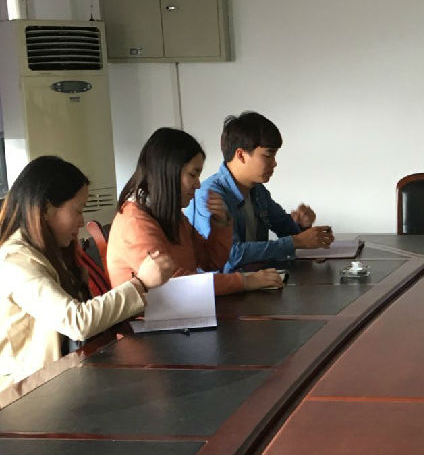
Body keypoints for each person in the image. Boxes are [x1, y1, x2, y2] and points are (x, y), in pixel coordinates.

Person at [0, 156, 174, 393]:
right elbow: (76, 321)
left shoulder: (50, 251)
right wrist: (140, 283)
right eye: (77, 211)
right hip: (25, 394)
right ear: (46, 209)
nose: (82, 222)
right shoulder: (15, 260)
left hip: (60, 379)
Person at [107, 127, 283, 294]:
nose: (198, 185)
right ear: (168, 172)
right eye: (192, 175)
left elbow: (209, 262)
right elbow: (173, 284)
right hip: (152, 315)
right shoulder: (135, 223)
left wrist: (220, 224)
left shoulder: (171, 215)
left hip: (180, 309)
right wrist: (244, 281)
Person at [186, 111, 333, 273]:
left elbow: (287, 231)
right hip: (223, 287)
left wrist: (303, 226)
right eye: (268, 155)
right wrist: (296, 241)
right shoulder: (208, 195)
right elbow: (230, 256)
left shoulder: (257, 190)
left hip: (256, 280)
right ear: (241, 155)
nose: (274, 163)